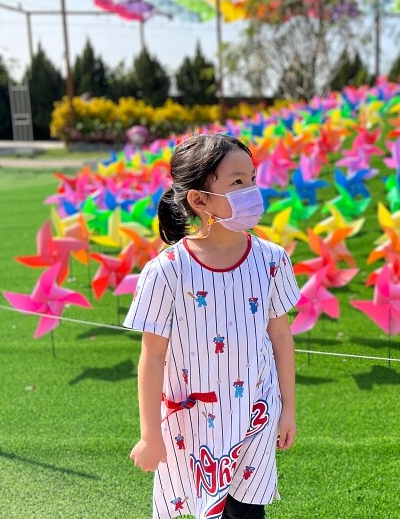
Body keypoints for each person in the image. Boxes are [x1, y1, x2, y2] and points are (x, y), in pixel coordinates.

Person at [124, 134, 301, 519]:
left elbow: (280, 336)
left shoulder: (271, 260)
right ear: (199, 200)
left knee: (247, 512)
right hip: (192, 423)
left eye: (252, 179)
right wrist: (150, 435)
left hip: (256, 412)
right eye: (237, 182)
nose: (251, 191)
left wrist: (288, 409)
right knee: (193, 506)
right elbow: (152, 357)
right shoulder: (167, 271)